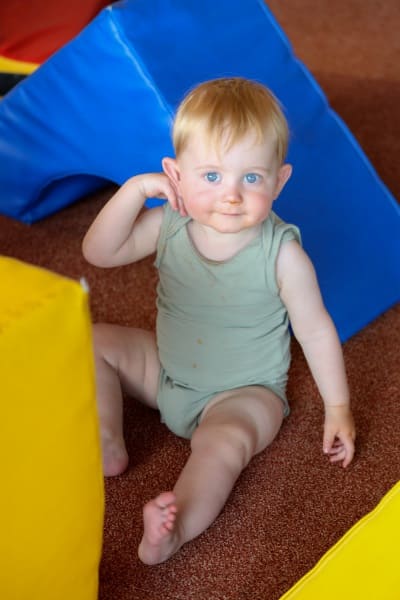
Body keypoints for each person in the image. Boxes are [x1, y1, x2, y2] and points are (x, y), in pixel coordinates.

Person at [82, 77, 356, 565]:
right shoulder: (169, 224)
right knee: (93, 340)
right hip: (166, 372)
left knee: (223, 446)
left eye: (251, 178)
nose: (231, 195)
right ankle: (107, 441)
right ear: (175, 175)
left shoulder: (284, 255)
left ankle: (176, 528)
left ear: (279, 181)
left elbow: (314, 330)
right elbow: (99, 253)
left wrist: (338, 407)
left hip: (244, 393)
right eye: (211, 176)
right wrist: (135, 190)